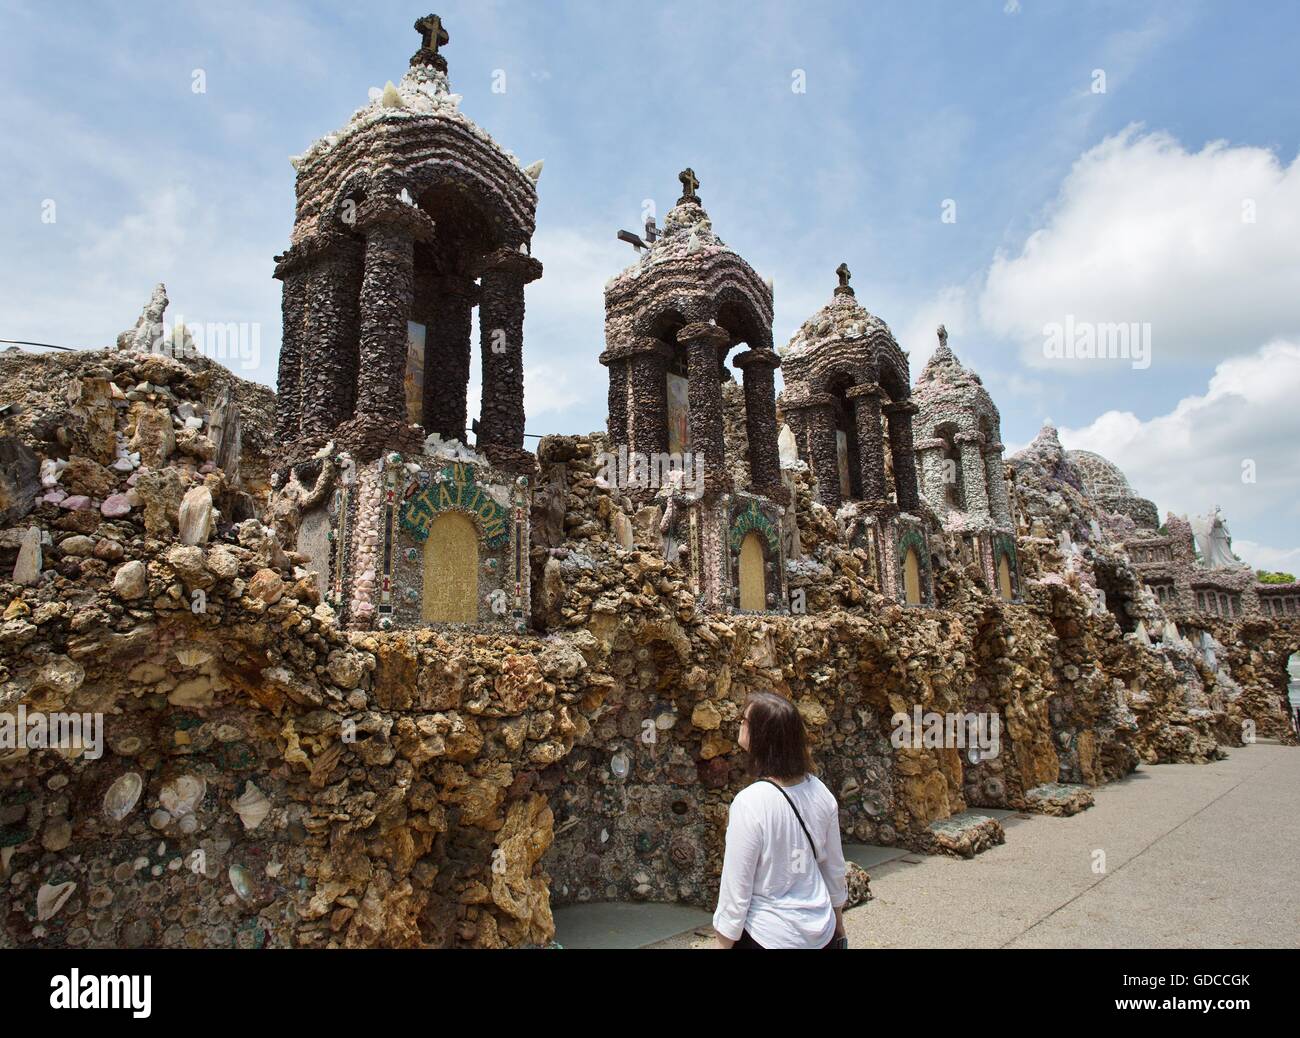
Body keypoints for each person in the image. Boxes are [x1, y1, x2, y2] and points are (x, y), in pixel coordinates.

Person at [713, 690, 848, 949]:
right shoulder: (820, 792)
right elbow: (833, 867)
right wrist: (838, 922)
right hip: (821, 932)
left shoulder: (751, 802)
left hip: (770, 934)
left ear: (761, 734)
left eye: (744, 720)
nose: (739, 724)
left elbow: (736, 888)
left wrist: (722, 944)